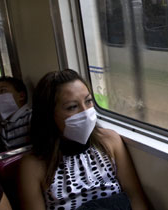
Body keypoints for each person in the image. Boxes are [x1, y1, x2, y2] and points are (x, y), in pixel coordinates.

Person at [18, 69, 148, 210]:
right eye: (72, 107)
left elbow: (135, 197)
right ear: (49, 115)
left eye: (88, 101)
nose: (85, 112)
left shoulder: (110, 141)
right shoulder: (33, 165)